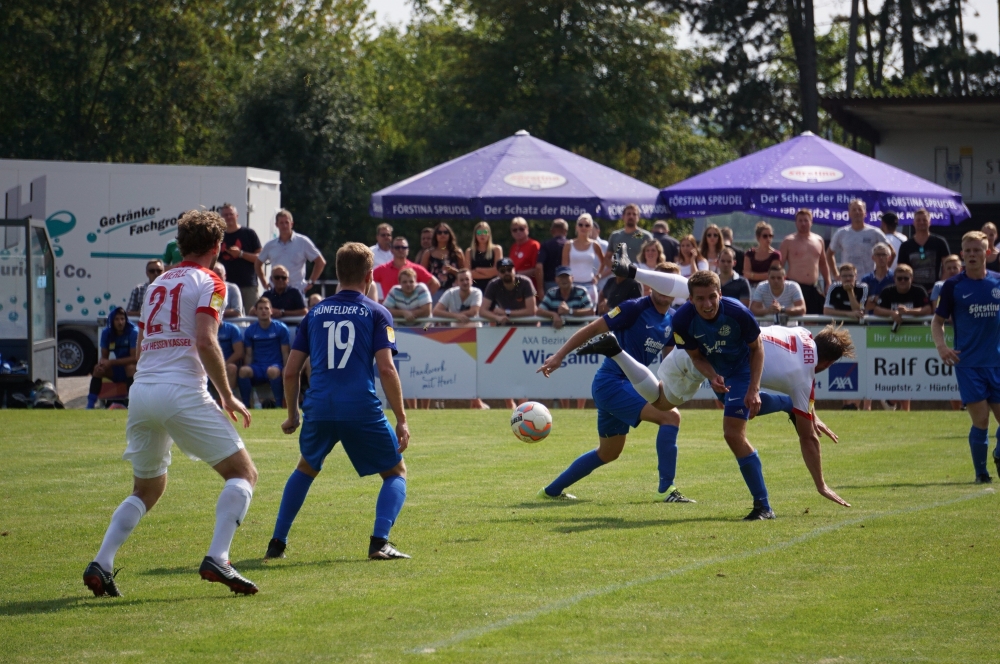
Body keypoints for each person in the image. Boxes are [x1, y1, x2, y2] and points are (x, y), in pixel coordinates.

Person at [83, 209, 258, 598]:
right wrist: (227, 394)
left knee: (147, 489)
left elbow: (144, 344)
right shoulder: (212, 281)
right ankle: (219, 557)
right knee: (243, 473)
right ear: (217, 247)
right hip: (180, 389)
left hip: (143, 390)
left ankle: (103, 562)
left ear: (180, 245)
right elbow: (206, 340)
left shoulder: (157, 283)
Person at [608, 246, 852, 507]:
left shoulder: (802, 333)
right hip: (700, 360)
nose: (708, 303)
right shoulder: (803, 379)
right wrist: (820, 483)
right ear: (827, 363)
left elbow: (768, 353)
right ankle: (617, 352)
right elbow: (808, 438)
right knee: (662, 404)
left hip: (726, 364)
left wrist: (805, 410)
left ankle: (632, 272)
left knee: (699, 293)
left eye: (714, 297)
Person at [264, 242, 412, 562]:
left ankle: (277, 543)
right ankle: (379, 542)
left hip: (318, 405)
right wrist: (401, 418)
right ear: (370, 276)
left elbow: (291, 372)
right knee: (395, 472)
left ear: (336, 273)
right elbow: (386, 368)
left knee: (305, 468)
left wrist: (292, 415)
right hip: (359, 406)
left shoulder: (314, 313)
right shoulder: (376, 312)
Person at [536, 263, 690, 503]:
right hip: (612, 383)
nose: (664, 288)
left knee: (609, 453)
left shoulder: (673, 319)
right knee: (671, 417)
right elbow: (593, 329)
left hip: (625, 386)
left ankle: (550, 492)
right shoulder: (635, 308)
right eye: (660, 282)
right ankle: (667, 490)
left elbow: (667, 363)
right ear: (651, 284)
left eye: (670, 284)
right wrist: (559, 356)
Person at [934, 231, 1000, 483]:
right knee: (981, 419)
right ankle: (981, 473)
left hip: (997, 361)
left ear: (988, 253)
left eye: (977, 250)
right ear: (962, 254)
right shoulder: (953, 286)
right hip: (969, 364)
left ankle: (998, 454)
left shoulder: (997, 282)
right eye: (968, 251)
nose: (972, 255)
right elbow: (937, 322)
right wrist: (942, 347)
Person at [255, 209, 326, 297]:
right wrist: (264, 283)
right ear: (276, 225)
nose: (284, 225)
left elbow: (320, 262)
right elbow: (257, 264)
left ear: (291, 224)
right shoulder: (270, 245)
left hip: (297, 291)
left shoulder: (302, 241)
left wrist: (311, 282)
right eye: (281, 223)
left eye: (286, 222)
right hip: (275, 292)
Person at [238, 297, 291, 408]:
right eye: (260, 308)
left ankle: (278, 405)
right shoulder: (250, 330)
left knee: (272, 371)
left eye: (266, 308)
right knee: (243, 371)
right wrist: (247, 367)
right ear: (256, 311)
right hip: (257, 367)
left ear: (271, 311)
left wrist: (286, 369)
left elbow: (285, 352)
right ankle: (246, 406)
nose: (263, 311)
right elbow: (248, 354)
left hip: (276, 365)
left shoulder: (281, 328)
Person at [779, 208, 831, 315]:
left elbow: (823, 263)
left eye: (806, 220)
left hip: (814, 287)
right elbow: (780, 266)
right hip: (794, 285)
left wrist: (828, 282)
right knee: (794, 317)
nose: (803, 223)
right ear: (796, 223)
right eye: (800, 220)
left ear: (811, 222)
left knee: (813, 317)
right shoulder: (788, 241)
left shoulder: (819, 240)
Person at [86, 306, 139, 409]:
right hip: (117, 369)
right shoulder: (107, 333)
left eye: (122, 319)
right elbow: (104, 358)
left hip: (134, 371)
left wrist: (111, 363)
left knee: (130, 367)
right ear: (112, 321)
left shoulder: (133, 332)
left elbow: (135, 358)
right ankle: (90, 405)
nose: (120, 322)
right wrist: (102, 364)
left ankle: (132, 403)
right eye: (117, 319)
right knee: (98, 369)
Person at [827, 199, 892, 277]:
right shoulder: (841, 233)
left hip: (869, 279)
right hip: (848, 280)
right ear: (849, 214)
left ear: (865, 213)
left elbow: (891, 252)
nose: (857, 212)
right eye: (854, 210)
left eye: (859, 210)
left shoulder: (875, 232)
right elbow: (829, 254)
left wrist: (883, 272)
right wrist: (836, 275)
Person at [219, 203, 263, 312]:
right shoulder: (218, 237)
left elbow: (260, 258)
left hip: (247, 285)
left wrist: (241, 254)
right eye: (225, 215)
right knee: (220, 314)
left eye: (231, 214)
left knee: (252, 316)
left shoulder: (249, 233)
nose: (228, 217)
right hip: (224, 286)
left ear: (237, 216)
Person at [897, 208, 951, 294]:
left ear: (930, 222)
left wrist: (938, 286)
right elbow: (901, 270)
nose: (921, 222)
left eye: (924, 220)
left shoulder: (940, 242)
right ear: (913, 223)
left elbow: (948, 266)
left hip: (935, 290)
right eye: (918, 220)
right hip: (912, 291)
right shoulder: (905, 246)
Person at [372, 237, 439, 301]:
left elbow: (435, 284)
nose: (401, 250)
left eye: (404, 247)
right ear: (392, 250)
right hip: (390, 309)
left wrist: (423, 300)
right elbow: (365, 281)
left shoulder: (416, 269)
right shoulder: (383, 269)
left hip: (412, 309)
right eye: (397, 247)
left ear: (408, 250)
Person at [481, 257, 537, 325]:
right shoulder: (493, 285)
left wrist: (506, 312)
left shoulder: (525, 282)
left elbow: (531, 311)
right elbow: (482, 311)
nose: (506, 273)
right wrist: (496, 317)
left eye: (509, 269)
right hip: (506, 324)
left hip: (528, 325)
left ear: (514, 270)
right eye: (502, 271)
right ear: (498, 273)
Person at [562, 213, 603, 305]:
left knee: (590, 314)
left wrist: (598, 276)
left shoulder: (595, 245)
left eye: (587, 225)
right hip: (572, 286)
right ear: (576, 227)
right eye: (580, 224)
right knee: (571, 313)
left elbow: (603, 262)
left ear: (591, 228)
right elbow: (564, 266)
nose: (583, 227)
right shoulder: (569, 244)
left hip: (589, 285)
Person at [538, 266, 594, 330]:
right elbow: (539, 311)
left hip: (580, 331)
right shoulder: (551, 293)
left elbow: (590, 311)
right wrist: (554, 315)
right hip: (556, 335)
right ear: (556, 280)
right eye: (561, 277)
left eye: (566, 277)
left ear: (572, 278)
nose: (564, 280)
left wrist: (569, 311)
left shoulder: (581, 292)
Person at [420, 222, 465, 302]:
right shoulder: (428, 253)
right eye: (439, 232)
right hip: (435, 291)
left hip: (454, 290)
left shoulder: (457, 252)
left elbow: (464, 273)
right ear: (435, 235)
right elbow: (422, 274)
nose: (442, 234)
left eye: (445, 232)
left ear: (450, 235)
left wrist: (453, 271)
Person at [605, 204, 653, 268]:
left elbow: (654, 258)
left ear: (638, 217)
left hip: (640, 275)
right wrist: (617, 269)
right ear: (623, 217)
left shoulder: (646, 236)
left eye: (634, 214)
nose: (631, 216)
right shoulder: (615, 236)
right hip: (621, 276)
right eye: (628, 214)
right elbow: (607, 258)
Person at [467, 221, 502, 292]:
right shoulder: (469, 251)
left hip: (493, 288)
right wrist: (489, 273)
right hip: (474, 288)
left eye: (485, 232)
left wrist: (478, 270)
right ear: (475, 235)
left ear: (489, 234)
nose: (482, 235)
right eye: (479, 233)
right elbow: (468, 274)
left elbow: (497, 271)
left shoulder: (496, 249)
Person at [744, 221, 781, 287]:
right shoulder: (749, 253)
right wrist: (763, 275)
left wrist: (752, 275)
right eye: (765, 236)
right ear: (758, 237)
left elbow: (771, 275)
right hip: (751, 288)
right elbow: (746, 274)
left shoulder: (776, 255)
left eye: (770, 236)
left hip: (768, 288)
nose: (768, 238)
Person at [861, 242, 895, 312]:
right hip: (871, 319)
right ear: (873, 257)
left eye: (884, 254)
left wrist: (873, 300)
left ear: (889, 258)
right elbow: (863, 304)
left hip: (890, 318)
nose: (881, 257)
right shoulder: (866, 279)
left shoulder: (895, 278)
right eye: (878, 255)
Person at [537, 218, 569, 293]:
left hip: (549, 283)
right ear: (565, 231)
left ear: (552, 231)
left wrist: (540, 289)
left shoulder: (546, 245)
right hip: (568, 282)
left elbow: (538, 266)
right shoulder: (571, 245)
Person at [217, 318, 244, 397]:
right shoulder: (204, 330)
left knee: (232, 368)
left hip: (227, 363)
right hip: (209, 364)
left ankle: (230, 397)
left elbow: (239, 352)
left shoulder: (232, 329)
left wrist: (223, 364)